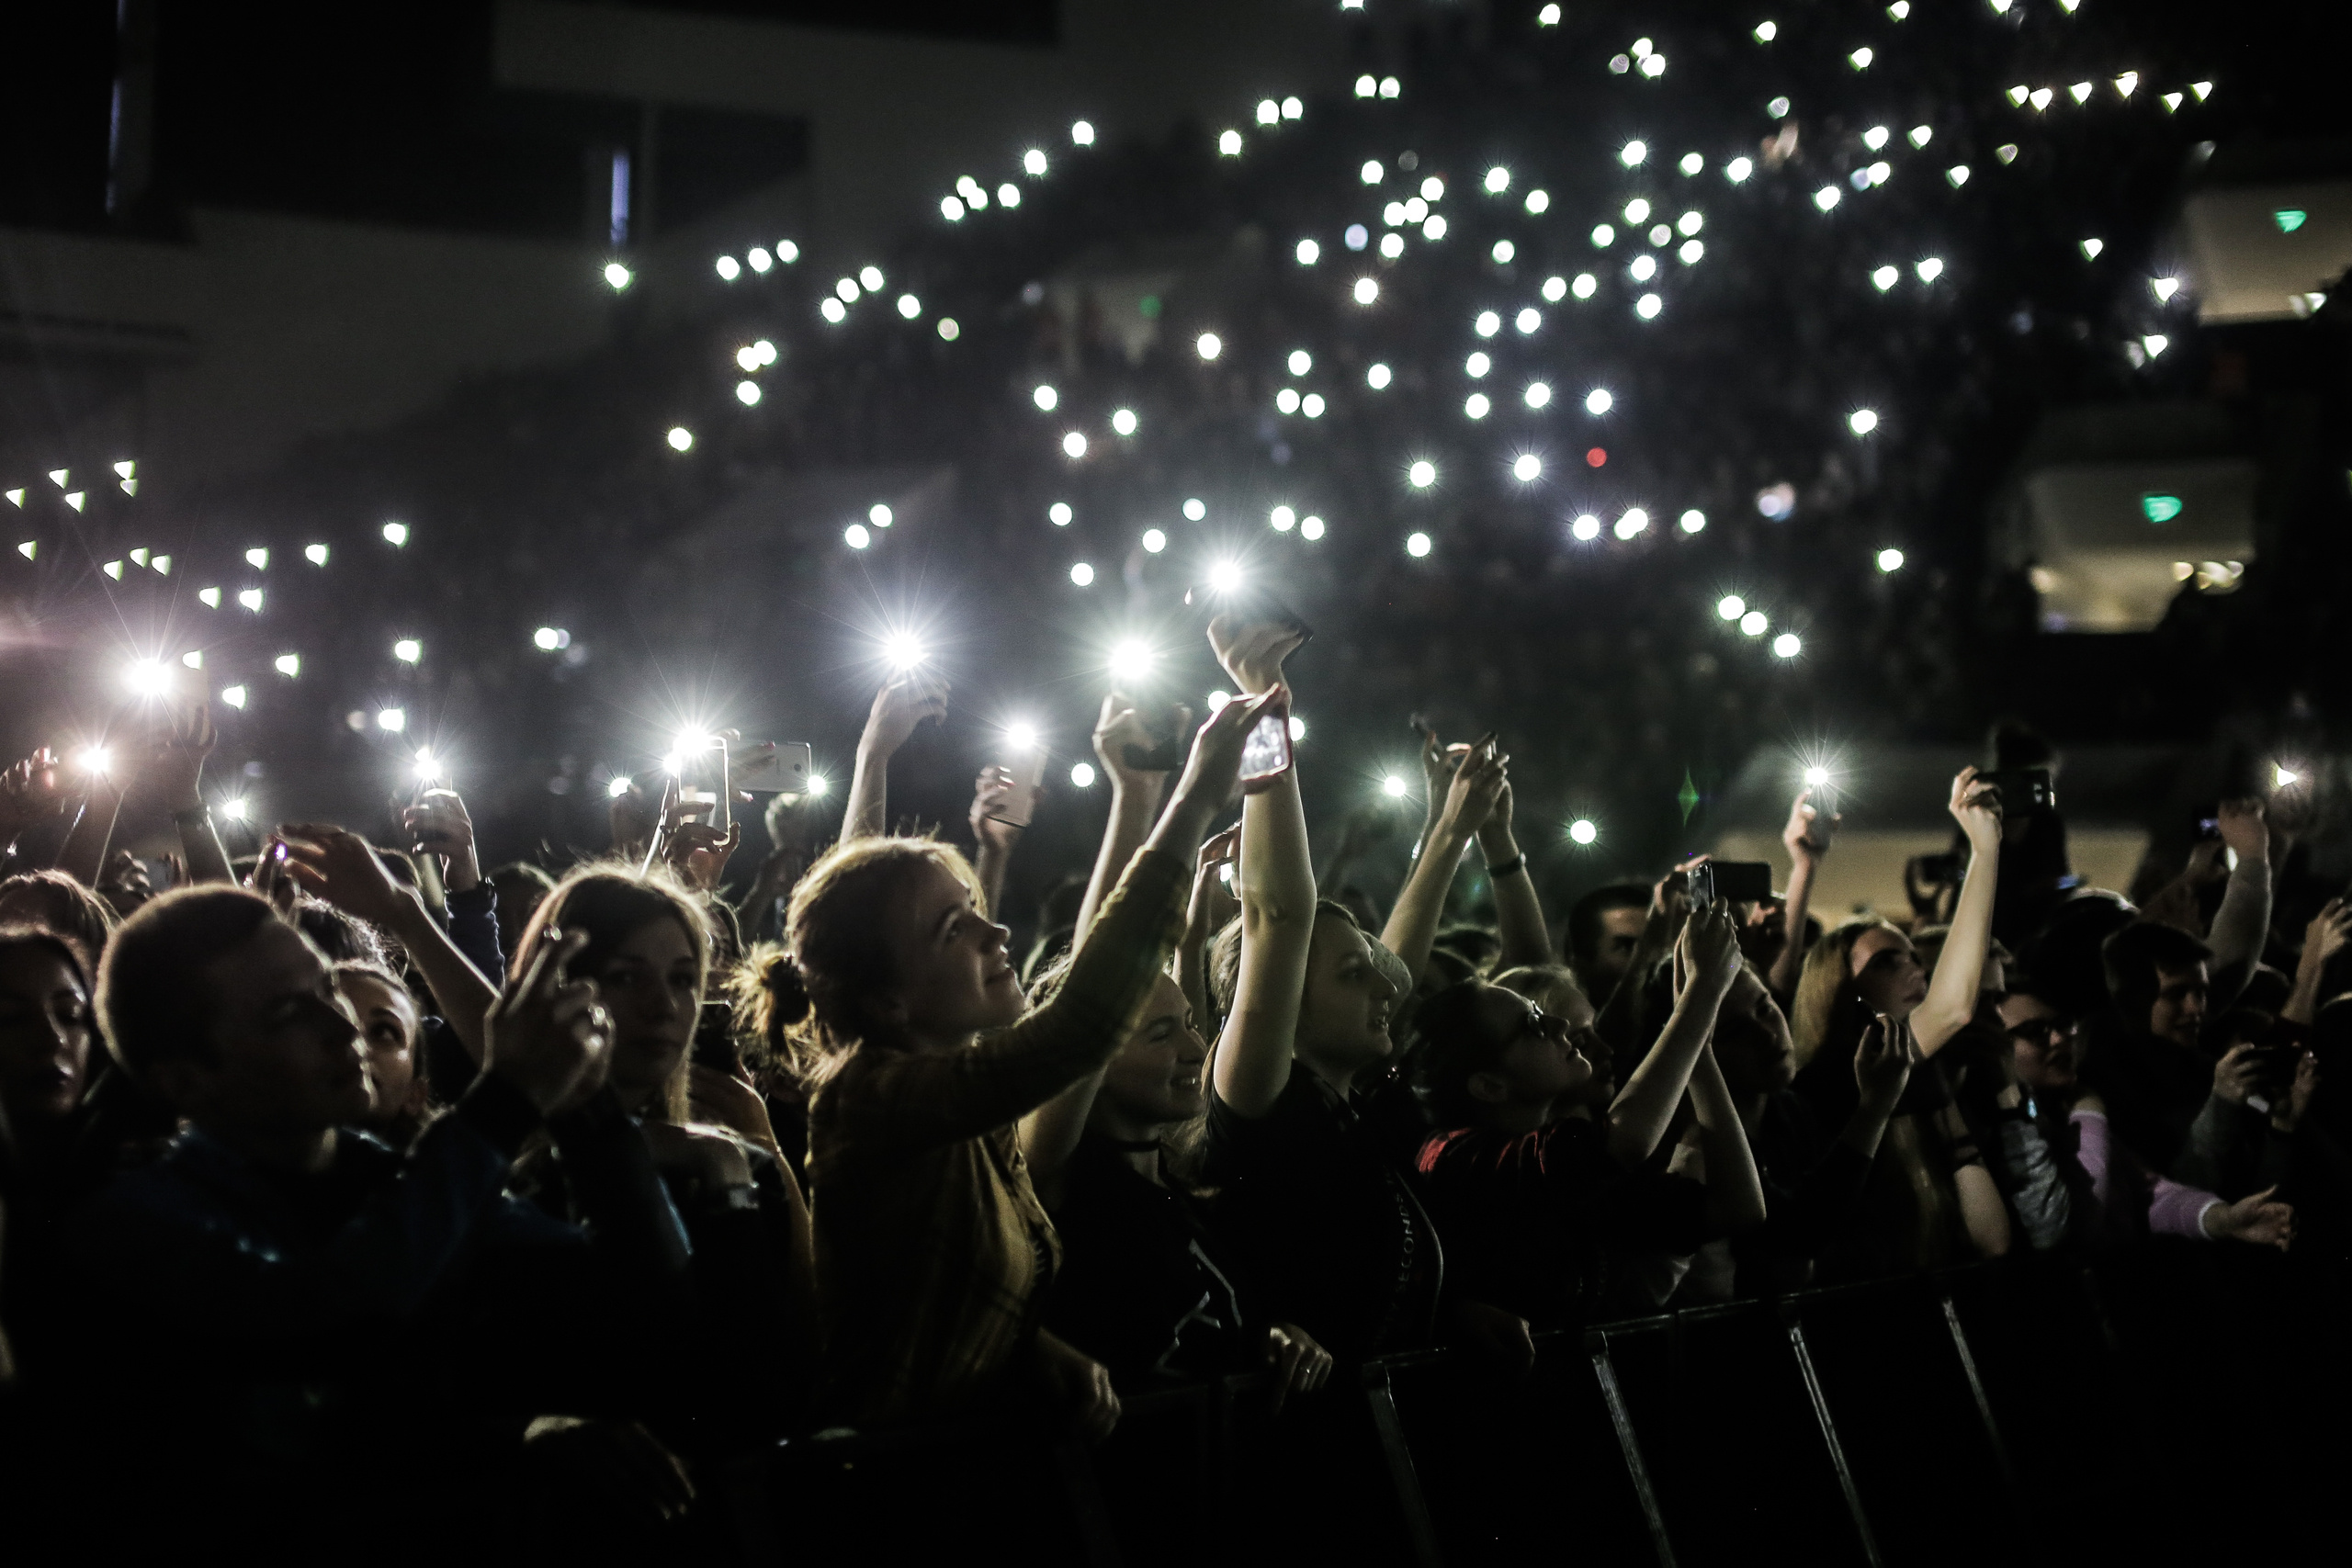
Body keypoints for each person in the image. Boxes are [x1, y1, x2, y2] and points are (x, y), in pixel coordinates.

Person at [62, 886, 696, 1548]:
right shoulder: (133, 1220)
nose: (343, 1028)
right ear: (186, 1081)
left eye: (326, 987)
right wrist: (507, 1099)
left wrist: (584, 1100)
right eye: (287, 1011)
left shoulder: (391, 1176)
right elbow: (327, 1324)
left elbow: (644, 1293)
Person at [763, 684, 1271, 1431]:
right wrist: (1189, 797)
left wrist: (1026, 1342)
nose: (995, 934)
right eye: (953, 929)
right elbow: (1081, 1022)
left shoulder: (966, 1104)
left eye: (977, 911)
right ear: (889, 1001)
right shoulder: (872, 1097)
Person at [507, 861, 820, 1442]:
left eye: (681, 979)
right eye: (628, 977)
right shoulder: (510, 1183)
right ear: (563, 986)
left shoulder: (735, 1164)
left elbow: (777, 1379)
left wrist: (737, 1179)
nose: (664, 1006)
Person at [1412, 907, 1765, 1329]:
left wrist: (1698, 1047)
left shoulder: (1573, 1166)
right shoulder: (1454, 1156)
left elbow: (1737, 1208)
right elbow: (1622, 1143)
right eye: (1533, 1023)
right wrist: (1700, 996)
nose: (1559, 1024)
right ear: (1490, 1085)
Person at [1791, 767, 2011, 1272]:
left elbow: (1995, 1241)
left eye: (1914, 957)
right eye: (1886, 962)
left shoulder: (1921, 1077)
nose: (1913, 969)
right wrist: (1984, 849)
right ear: (1838, 989)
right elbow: (1954, 1007)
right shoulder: (1830, 1081)